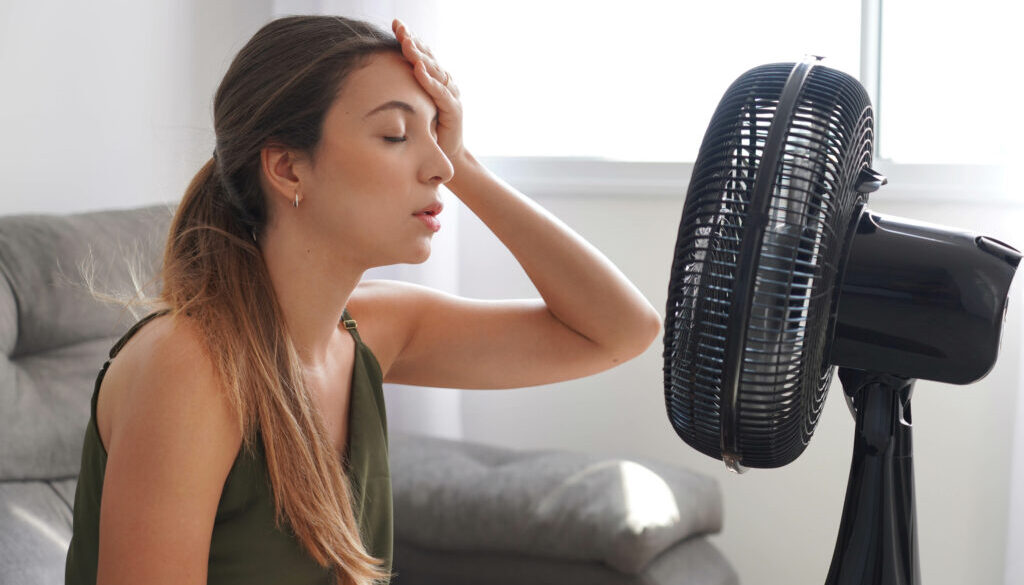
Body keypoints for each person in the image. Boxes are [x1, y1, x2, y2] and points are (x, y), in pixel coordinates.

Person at [63, 14, 661, 585]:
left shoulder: (372, 330)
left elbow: (620, 331)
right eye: (395, 134)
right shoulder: (191, 366)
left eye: (438, 135)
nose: (439, 165)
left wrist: (468, 165)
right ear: (287, 169)